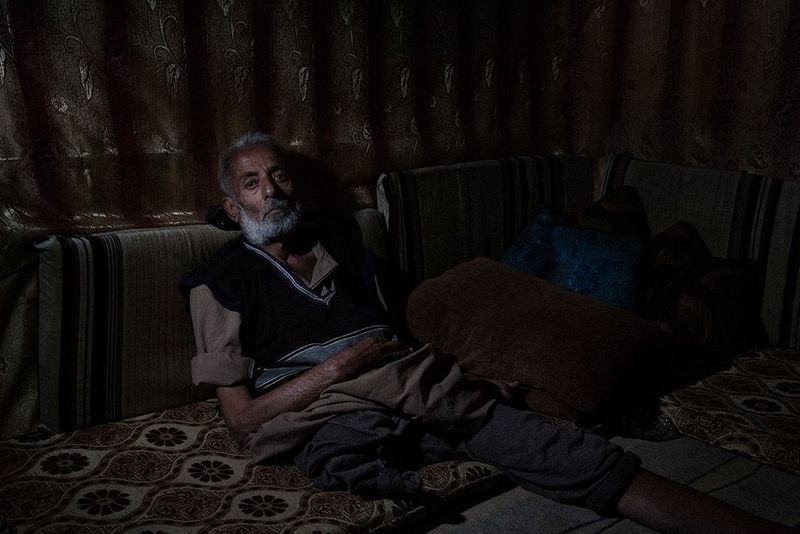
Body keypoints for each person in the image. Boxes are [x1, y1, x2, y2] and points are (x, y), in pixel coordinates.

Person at [180, 132, 793, 534]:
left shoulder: (343, 249)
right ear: (234, 208)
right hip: (330, 403)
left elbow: (423, 312)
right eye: (253, 184)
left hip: (413, 383)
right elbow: (241, 420)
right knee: (350, 436)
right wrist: (341, 369)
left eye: (280, 176)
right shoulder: (222, 282)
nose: (272, 192)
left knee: (566, 454)